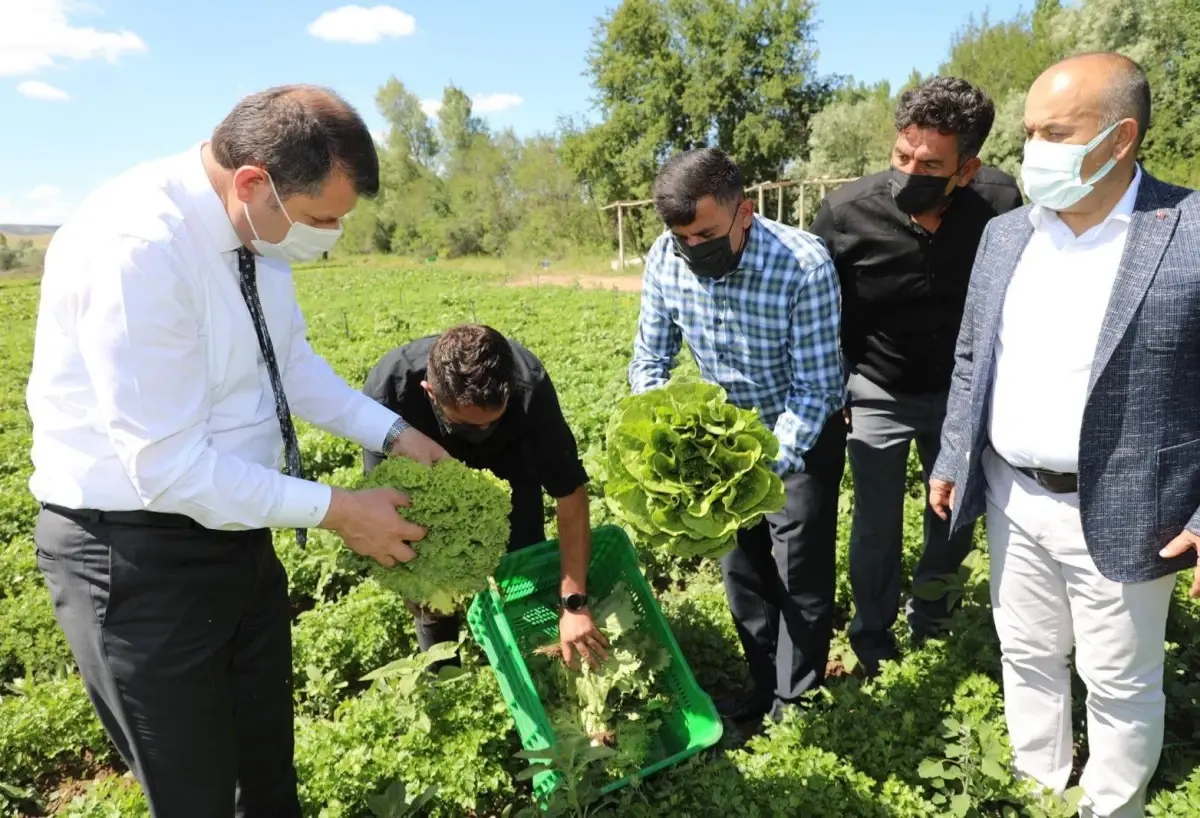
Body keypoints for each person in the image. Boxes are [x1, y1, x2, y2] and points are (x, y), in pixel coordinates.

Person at [25, 85, 449, 818]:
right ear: (254, 182)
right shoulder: (140, 247)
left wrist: (395, 432)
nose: (331, 236)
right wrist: (340, 511)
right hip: (136, 558)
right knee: (196, 796)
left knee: (265, 777)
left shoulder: (255, 234)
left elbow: (292, 364)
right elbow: (166, 466)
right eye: (323, 219)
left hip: (236, 531)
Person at [930, 53, 1200, 818]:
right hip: (1013, 492)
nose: (1033, 150)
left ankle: (1112, 805)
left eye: (1054, 132)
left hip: (1131, 506)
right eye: (1029, 132)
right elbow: (973, 355)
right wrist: (955, 454)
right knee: (1027, 652)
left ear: (1120, 139)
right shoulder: (1007, 234)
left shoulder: (1188, 233)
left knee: (1118, 678)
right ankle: (1038, 783)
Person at [809, 77, 1025, 676]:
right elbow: (819, 307)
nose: (910, 171)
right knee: (875, 524)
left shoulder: (1001, 204)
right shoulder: (846, 213)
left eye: (930, 164)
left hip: (962, 391)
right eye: (902, 156)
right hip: (877, 385)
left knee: (954, 511)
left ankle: (933, 616)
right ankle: (871, 637)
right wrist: (839, 385)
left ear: (967, 167)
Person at [629, 147, 846, 723]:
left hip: (797, 438)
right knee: (743, 574)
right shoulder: (664, 257)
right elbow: (650, 362)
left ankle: (795, 699)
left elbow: (818, 389)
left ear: (743, 212)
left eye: (704, 234)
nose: (693, 249)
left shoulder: (803, 264)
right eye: (681, 238)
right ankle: (761, 687)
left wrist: (764, 467)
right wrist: (666, 446)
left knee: (798, 572)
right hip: (720, 445)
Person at [362, 324, 607, 669]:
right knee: (433, 601)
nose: (481, 432)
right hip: (425, 483)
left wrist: (574, 604)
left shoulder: (528, 386)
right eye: (467, 425)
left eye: (492, 421)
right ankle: (444, 674)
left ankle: (530, 661)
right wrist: (421, 574)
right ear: (429, 392)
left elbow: (570, 496)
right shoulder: (389, 392)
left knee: (521, 569)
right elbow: (382, 504)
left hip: (512, 466)